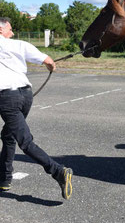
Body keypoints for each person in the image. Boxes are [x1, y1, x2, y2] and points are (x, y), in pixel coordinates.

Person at [0, 17, 72, 200]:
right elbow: (48, 61)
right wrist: (51, 64)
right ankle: (4, 179)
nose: (13, 32)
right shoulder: (20, 45)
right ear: (1, 30)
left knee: (25, 142)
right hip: (25, 95)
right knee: (8, 135)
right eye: (10, 29)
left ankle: (58, 171)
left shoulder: (15, 43)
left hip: (7, 98)